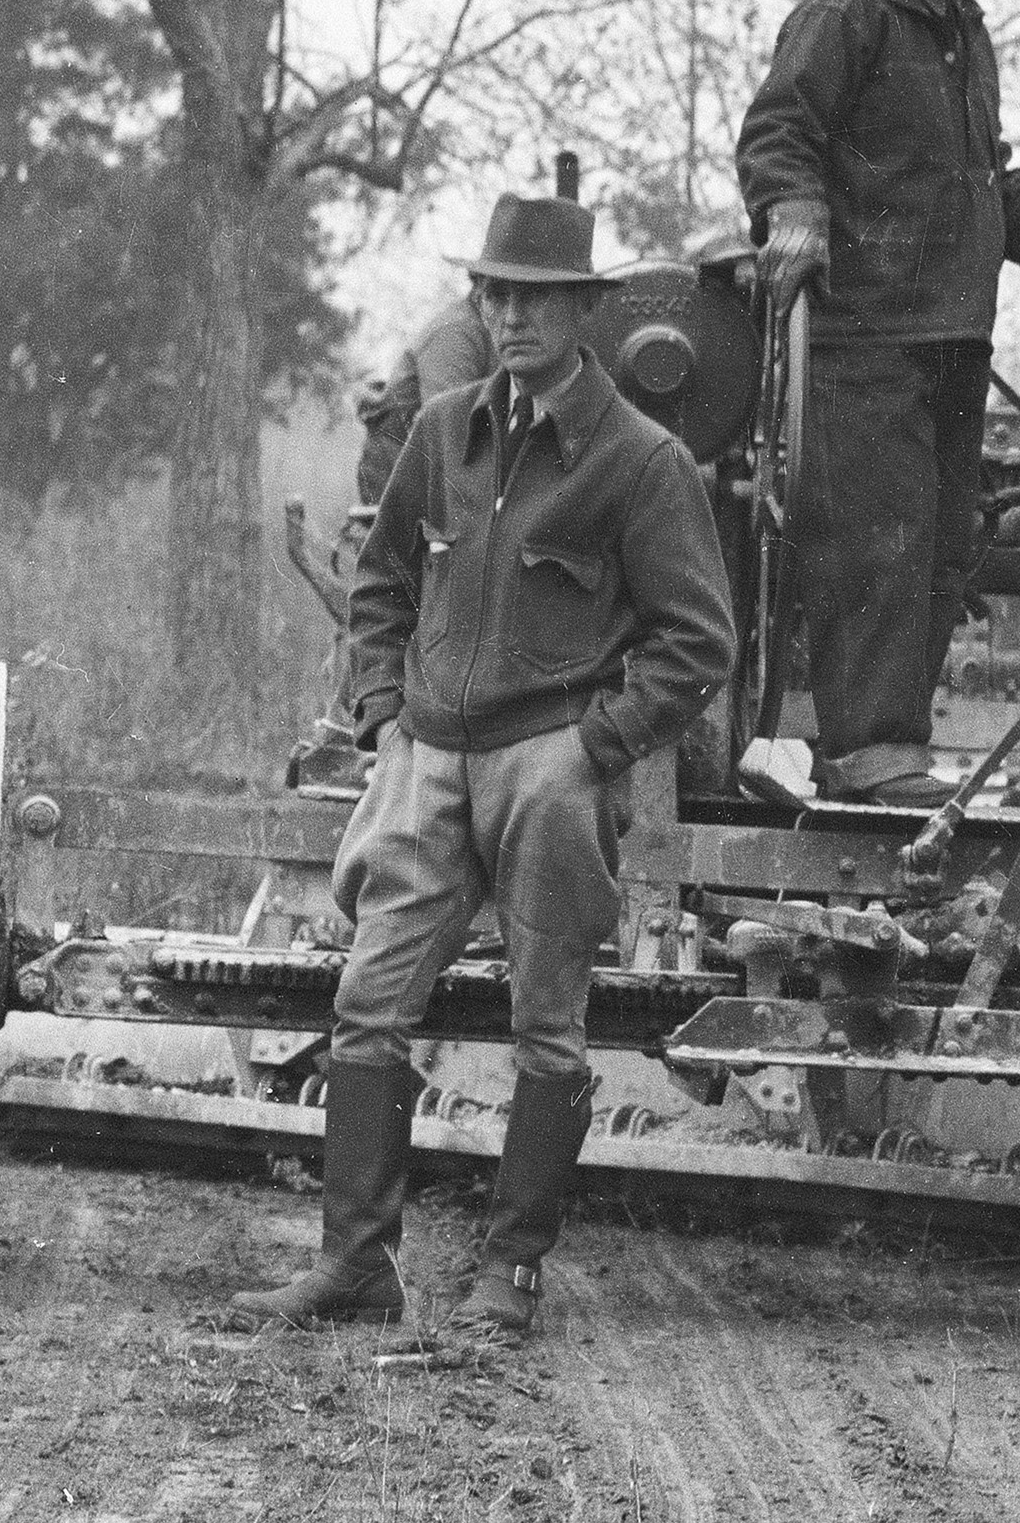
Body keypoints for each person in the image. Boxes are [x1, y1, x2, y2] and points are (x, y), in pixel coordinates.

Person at [235, 188, 737, 1345]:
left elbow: (696, 641)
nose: (512, 316)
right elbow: (381, 585)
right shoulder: (442, 429)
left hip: (548, 774)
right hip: (427, 761)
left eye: (539, 299)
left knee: (545, 1027)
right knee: (366, 1006)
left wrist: (592, 748)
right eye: (496, 294)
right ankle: (355, 1266)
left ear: (583, 312)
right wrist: (381, 721)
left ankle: (509, 1274)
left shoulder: (642, 460)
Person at [732, 0, 1020, 805]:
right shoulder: (847, 13)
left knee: (943, 547)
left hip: (951, 332)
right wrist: (800, 210)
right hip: (863, 335)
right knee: (878, 545)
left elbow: (976, 169)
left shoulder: (964, 33)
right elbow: (779, 132)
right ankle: (871, 755)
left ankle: (891, 744)